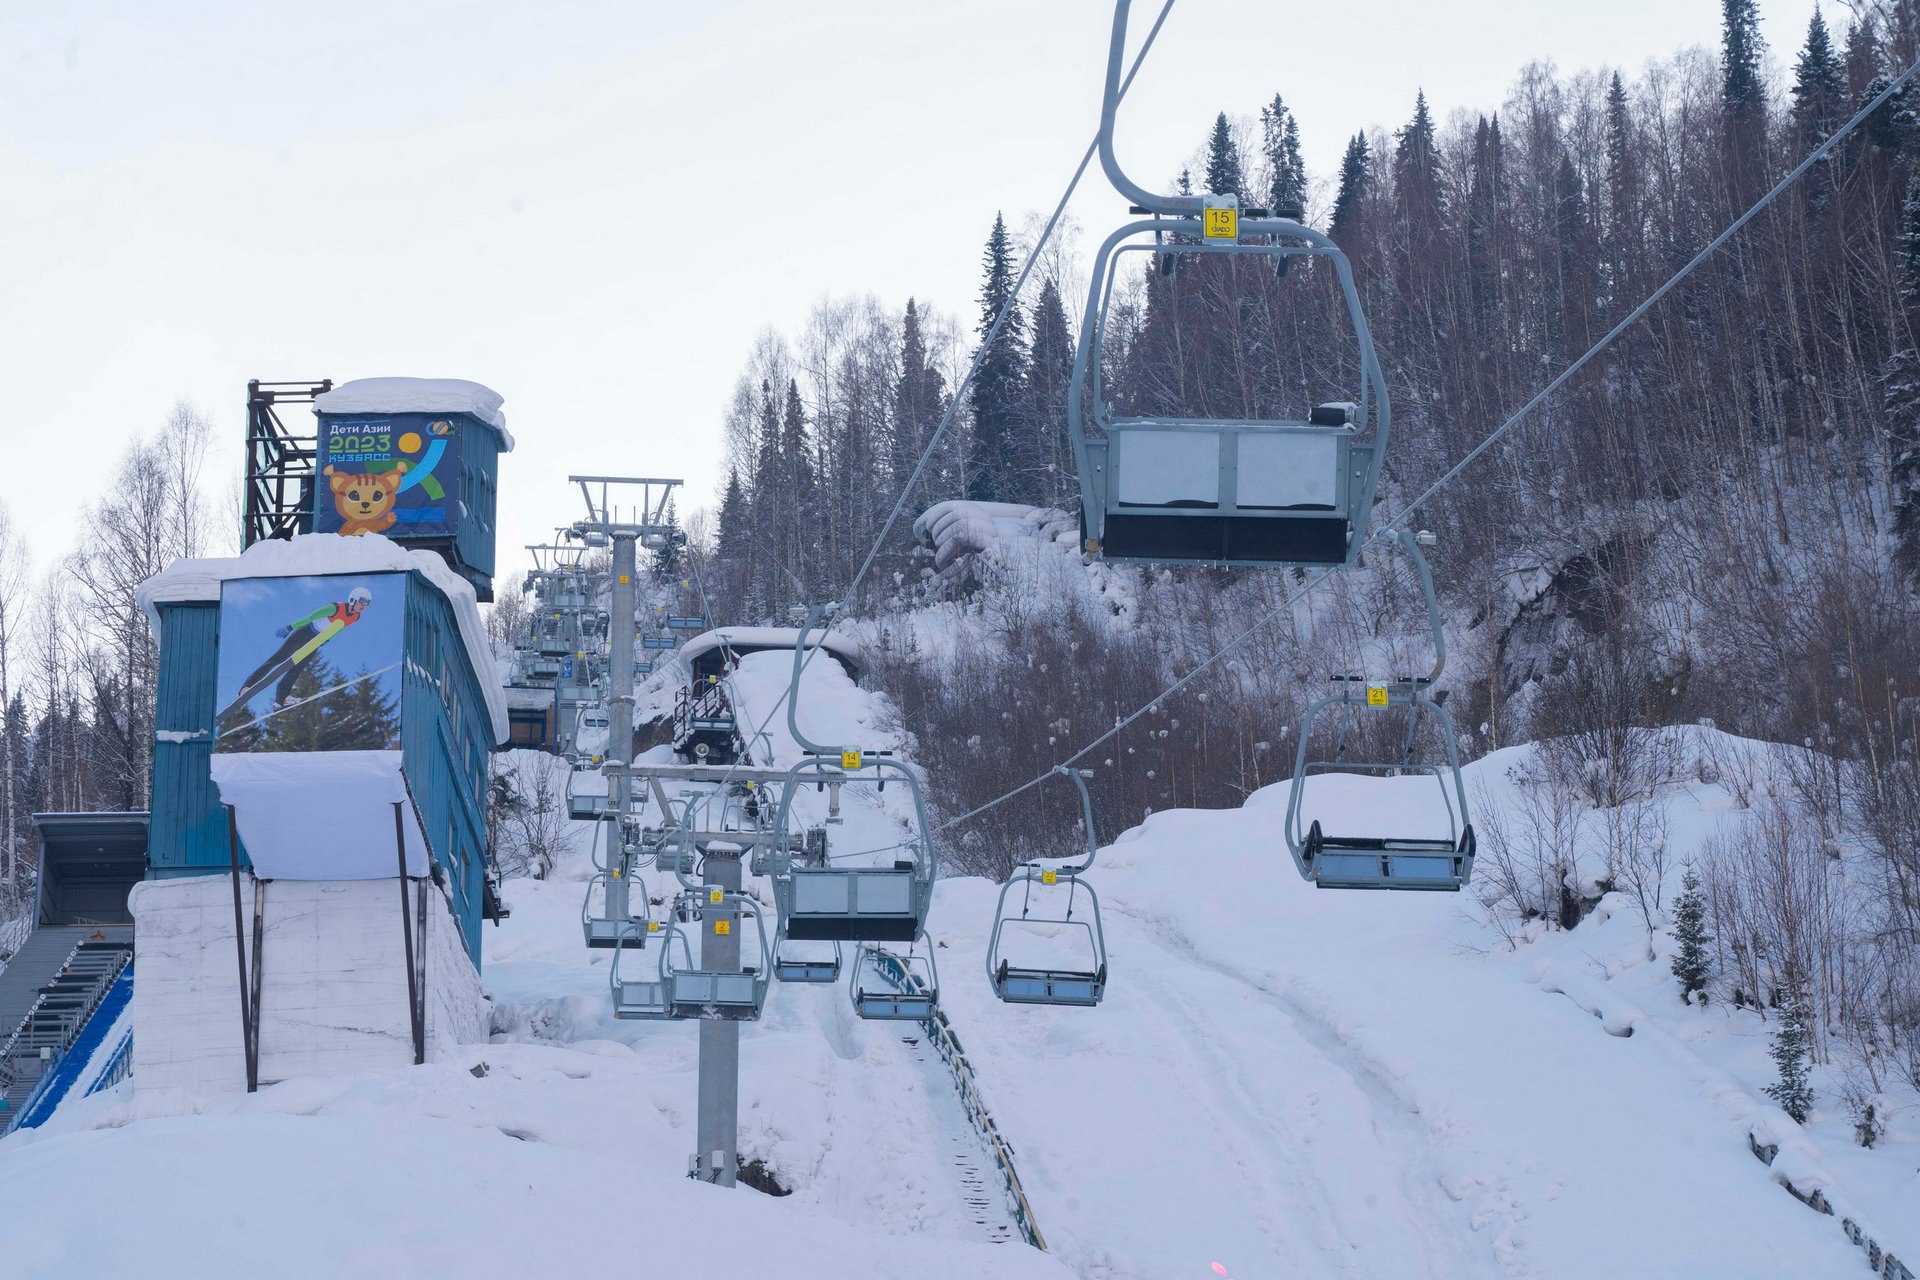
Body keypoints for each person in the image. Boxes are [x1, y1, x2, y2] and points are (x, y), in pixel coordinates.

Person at [218, 585, 373, 725]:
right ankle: (246, 687)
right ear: (352, 599)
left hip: (316, 640)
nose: (363, 606)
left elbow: (339, 628)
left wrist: (327, 639)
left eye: (366, 604)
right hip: (304, 632)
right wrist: (289, 627)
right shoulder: (335, 607)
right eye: (361, 602)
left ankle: (281, 700)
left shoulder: (355, 617)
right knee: (277, 659)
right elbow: (311, 617)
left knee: (297, 668)